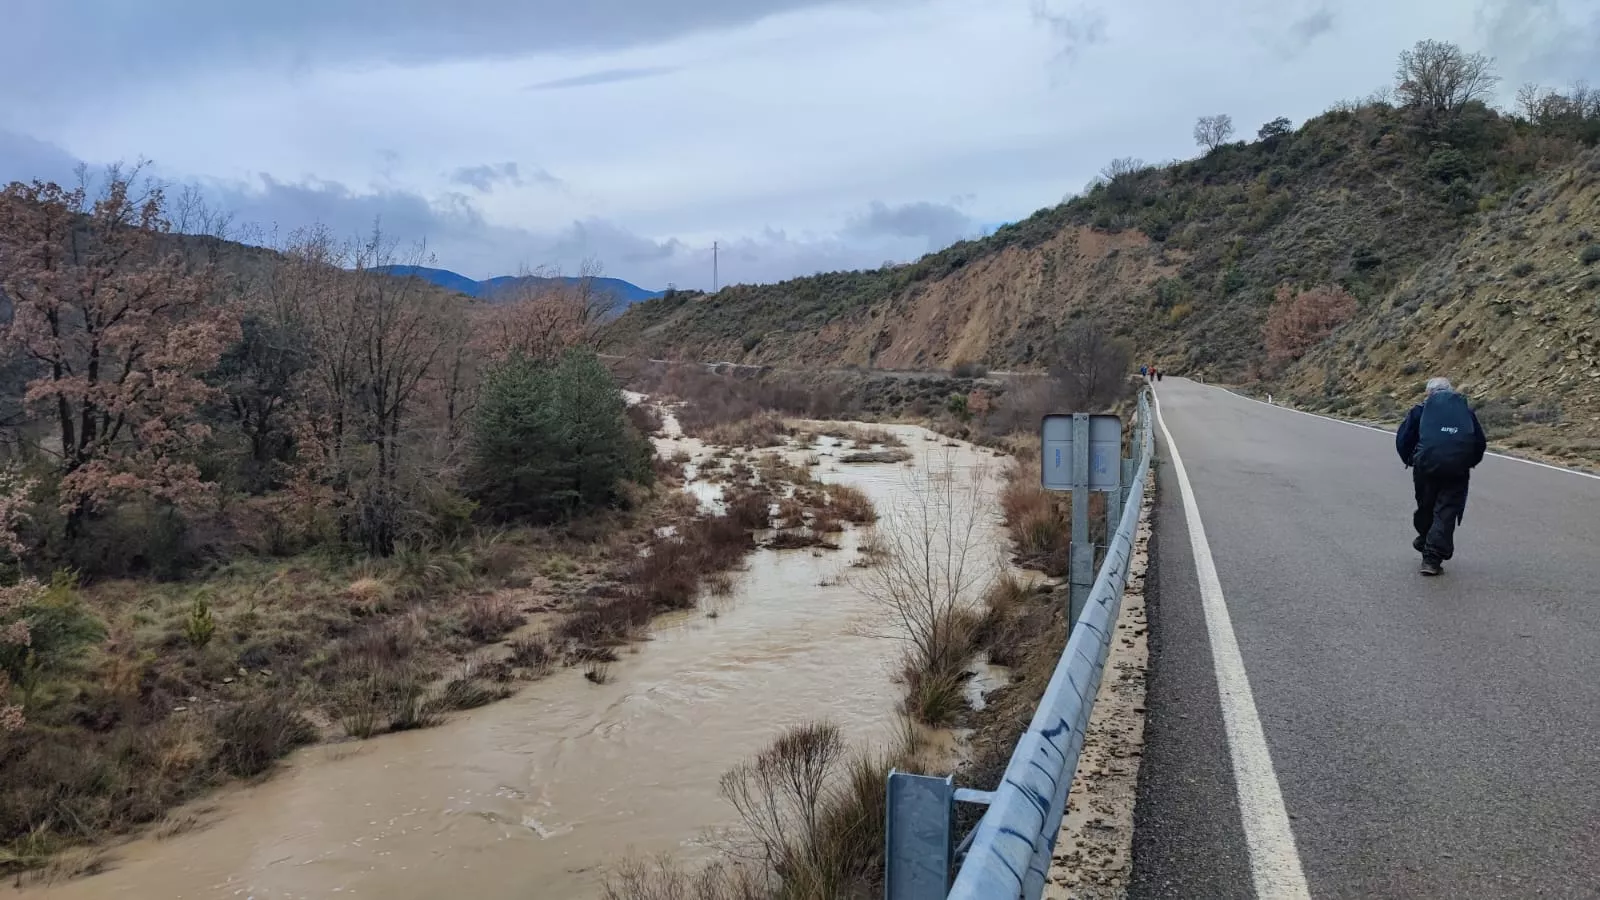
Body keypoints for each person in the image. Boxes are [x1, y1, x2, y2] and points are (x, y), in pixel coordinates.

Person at [1395, 377, 1487, 576]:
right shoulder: (1464, 412)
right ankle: (1432, 558)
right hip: (1457, 471)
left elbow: (1403, 439)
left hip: (1425, 469)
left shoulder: (1419, 411)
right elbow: (1479, 443)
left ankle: (1427, 545)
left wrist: (1411, 460)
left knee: (1426, 507)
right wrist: (1468, 463)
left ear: (1429, 393)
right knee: (1445, 512)